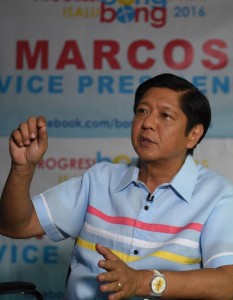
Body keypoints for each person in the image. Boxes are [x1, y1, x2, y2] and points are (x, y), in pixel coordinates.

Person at [1, 73, 233, 300]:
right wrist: (22, 170)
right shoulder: (99, 180)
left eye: (165, 115)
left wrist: (142, 281)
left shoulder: (216, 196)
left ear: (193, 134)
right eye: (142, 111)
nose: (147, 123)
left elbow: (228, 283)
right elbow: (15, 225)